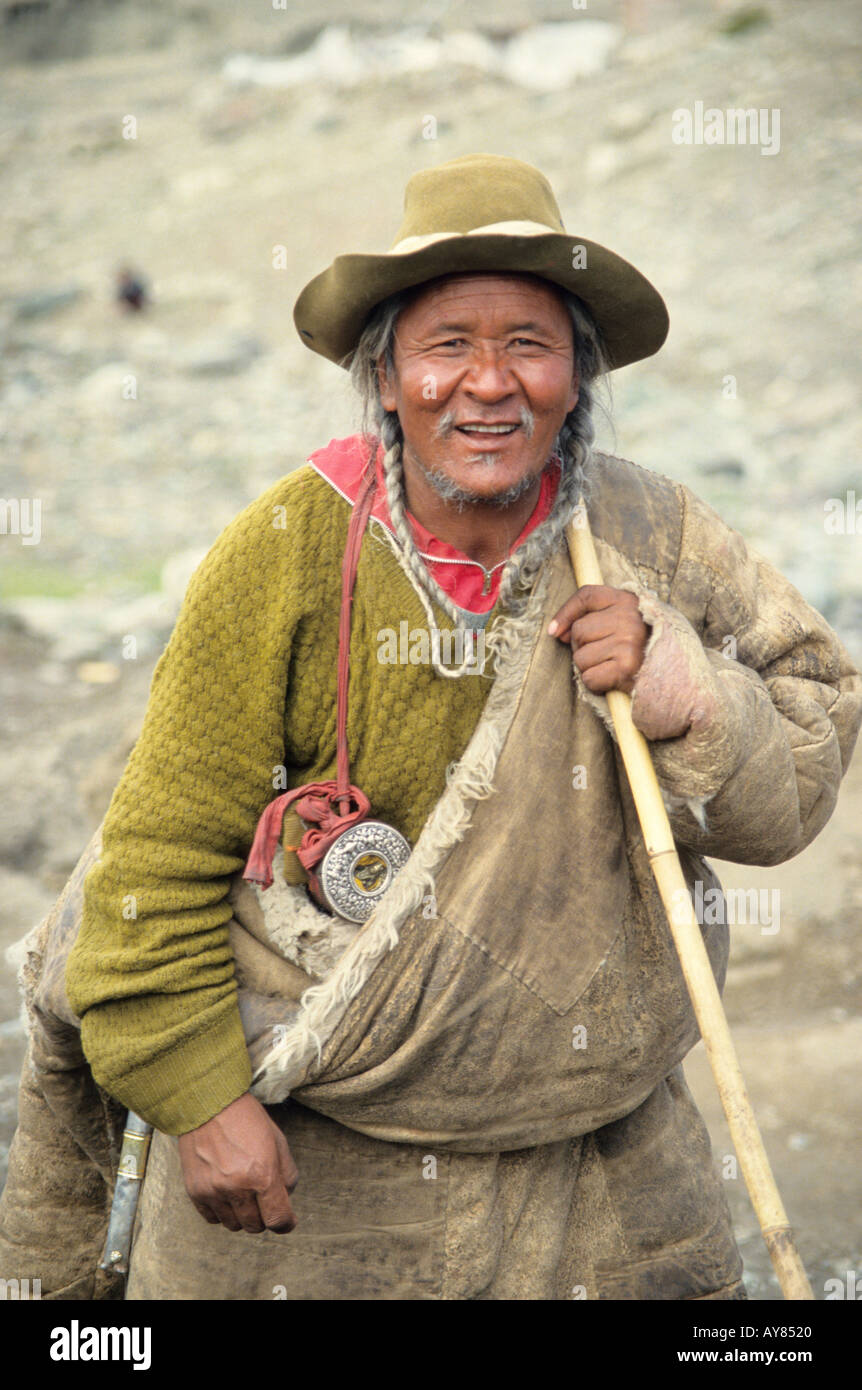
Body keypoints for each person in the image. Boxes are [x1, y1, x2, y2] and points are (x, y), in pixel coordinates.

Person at [2, 153, 860, 1300]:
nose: (489, 383)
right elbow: (147, 867)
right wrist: (199, 1097)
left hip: (594, 1177)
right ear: (388, 373)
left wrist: (683, 690)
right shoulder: (286, 551)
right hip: (308, 1183)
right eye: (448, 343)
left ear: (577, 373)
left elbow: (796, 783)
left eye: (529, 343)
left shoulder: (651, 532)